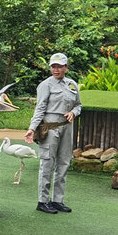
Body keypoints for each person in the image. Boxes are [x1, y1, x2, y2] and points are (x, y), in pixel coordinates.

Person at [25, 53, 81, 214]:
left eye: (59, 66)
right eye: (53, 66)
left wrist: (74, 112)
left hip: (67, 127)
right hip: (50, 127)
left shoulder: (72, 84)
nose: (56, 70)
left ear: (66, 67)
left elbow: (79, 105)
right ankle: (43, 201)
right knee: (47, 163)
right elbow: (40, 108)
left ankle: (57, 200)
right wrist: (32, 128)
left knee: (64, 162)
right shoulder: (45, 85)